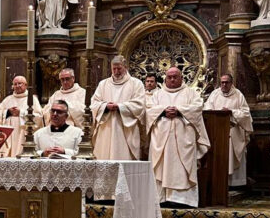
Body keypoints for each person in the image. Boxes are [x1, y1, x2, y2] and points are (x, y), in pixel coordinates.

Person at [146, 67, 209, 207]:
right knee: (161, 166)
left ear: (182, 78)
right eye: (170, 77)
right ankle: (161, 198)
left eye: (175, 77)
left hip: (183, 138)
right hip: (161, 138)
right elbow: (148, 110)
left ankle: (182, 199)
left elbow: (198, 108)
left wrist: (180, 111)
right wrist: (163, 111)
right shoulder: (157, 95)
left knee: (181, 167)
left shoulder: (191, 93)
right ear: (165, 79)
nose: (173, 79)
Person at [91, 55, 145, 160]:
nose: (116, 71)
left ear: (125, 67)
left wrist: (120, 107)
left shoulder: (136, 84)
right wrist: (105, 106)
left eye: (119, 68)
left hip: (126, 129)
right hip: (106, 128)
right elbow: (94, 103)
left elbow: (140, 105)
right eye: (114, 69)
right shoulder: (103, 84)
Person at [204, 74, 253, 186]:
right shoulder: (214, 94)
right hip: (217, 132)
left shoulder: (238, 95)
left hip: (233, 131)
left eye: (227, 82)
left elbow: (246, 114)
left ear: (231, 83)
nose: (224, 85)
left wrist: (231, 112)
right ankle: (219, 183)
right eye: (222, 82)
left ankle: (235, 184)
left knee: (232, 156)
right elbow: (207, 109)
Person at [0, 75, 43, 157]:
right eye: (15, 84)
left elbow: (39, 117)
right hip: (9, 135)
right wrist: (8, 112)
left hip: (23, 133)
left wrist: (21, 113)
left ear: (25, 85)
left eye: (20, 83)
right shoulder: (7, 99)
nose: (17, 86)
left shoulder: (32, 99)